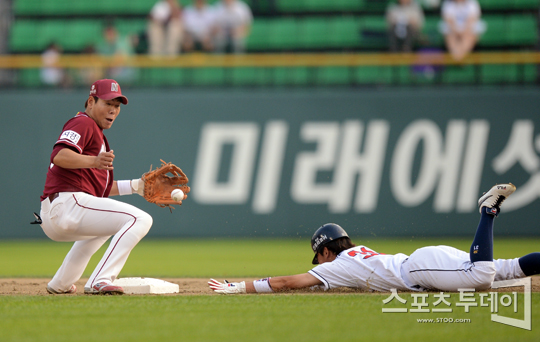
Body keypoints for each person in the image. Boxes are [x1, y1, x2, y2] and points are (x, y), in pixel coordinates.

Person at [209, 183, 540, 294]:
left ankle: (487, 211)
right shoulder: (356, 255)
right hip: (425, 262)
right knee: (508, 268)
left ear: (325, 250)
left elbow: (286, 282)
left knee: (483, 276)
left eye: (317, 256)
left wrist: (236, 286)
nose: (317, 264)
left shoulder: (336, 265)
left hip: (421, 270)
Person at [38, 79, 154, 295]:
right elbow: (60, 155)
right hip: (66, 205)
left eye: (117, 106)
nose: (113, 110)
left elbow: (97, 191)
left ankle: (61, 283)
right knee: (140, 219)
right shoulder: (84, 123)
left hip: (59, 211)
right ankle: (100, 279)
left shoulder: (96, 132)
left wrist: (136, 186)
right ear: (91, 101)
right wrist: (94, 161)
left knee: (105, 226)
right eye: (108, 103)